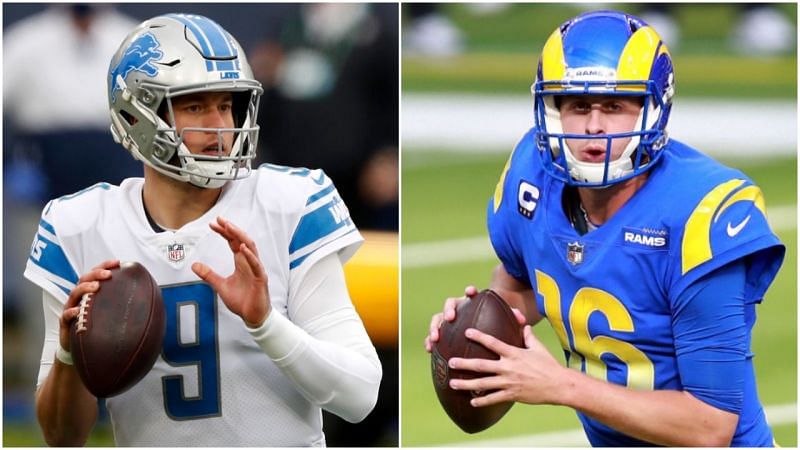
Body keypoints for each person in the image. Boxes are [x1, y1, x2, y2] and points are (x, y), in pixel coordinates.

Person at [425, 10, 784, 447]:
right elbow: (522, 281)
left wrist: (560, 385)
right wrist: (480, 323)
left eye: (614, 106)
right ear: (551, 111)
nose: (595, 125)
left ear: (653, 108)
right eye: (578, 105)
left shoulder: (699, 213)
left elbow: (710, 425)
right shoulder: (531, 177)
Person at [25, 13, 382, 446]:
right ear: (138, 115)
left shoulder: (291, 203)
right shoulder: (78, 226)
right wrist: (69, 355)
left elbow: (360, 395)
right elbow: (62, 437)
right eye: (195, 106)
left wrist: (266, 323)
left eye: (227, 105)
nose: (220, 127)